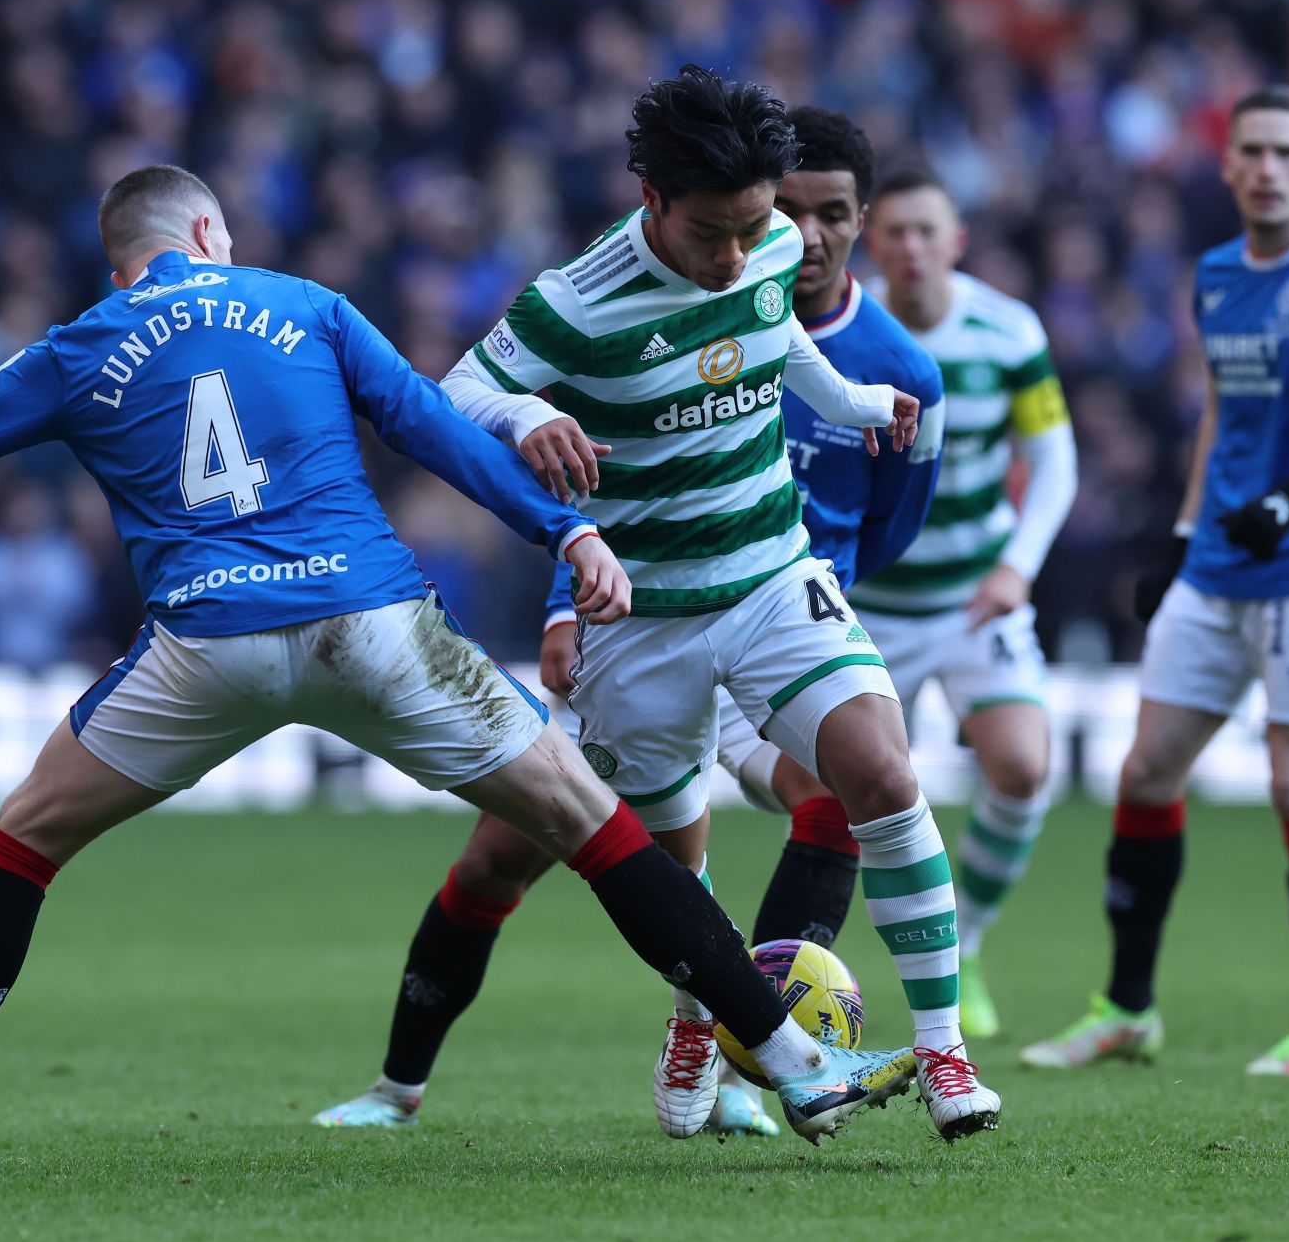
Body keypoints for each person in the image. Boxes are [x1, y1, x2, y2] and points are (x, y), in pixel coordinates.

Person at [0, 164, 923, 1178]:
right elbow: (437, 431)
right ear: (206, 236)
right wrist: (566, 531)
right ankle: (798, 1061)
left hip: (207, 647)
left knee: (19, 843)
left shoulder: (79, 346)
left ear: (124, 259)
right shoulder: (306, 304)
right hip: (376, 626)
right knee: (596, 827)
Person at [314, 106, 949, 1139]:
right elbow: (484, 408)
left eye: (828, 215)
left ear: (859, 219)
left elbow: (887, 536)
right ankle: (399, 1085)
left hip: (776, 617)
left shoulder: (898, 369)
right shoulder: (610, 300)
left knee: (848, 788)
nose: (797, 237)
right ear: (661, 203)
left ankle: (746, 1057)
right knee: (504, 858)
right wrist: (569, 590)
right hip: (637, 614)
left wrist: (817, 608)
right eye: (793, 213)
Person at [1021, 85, 1289, 1075]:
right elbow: (1220, 413)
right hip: (1219, 561)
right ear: (1229, 163)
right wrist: (1187, 534)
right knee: (1146, 770)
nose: (1269, 168)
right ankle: (1125, 1008)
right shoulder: (1215, 273)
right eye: (1253, 151)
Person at [838, 163, 1079, 1039]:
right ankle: (837, 959)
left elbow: (1055, 459)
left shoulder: (1007, 330)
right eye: (894, 232)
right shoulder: (839, 332)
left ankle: (966, 939)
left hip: (976, 597)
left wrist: (1017, 565)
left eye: (925, 231)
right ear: (875, 241)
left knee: (1022, 765)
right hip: (869, 600)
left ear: (956, 240)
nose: (910, 248)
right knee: (824, 792)